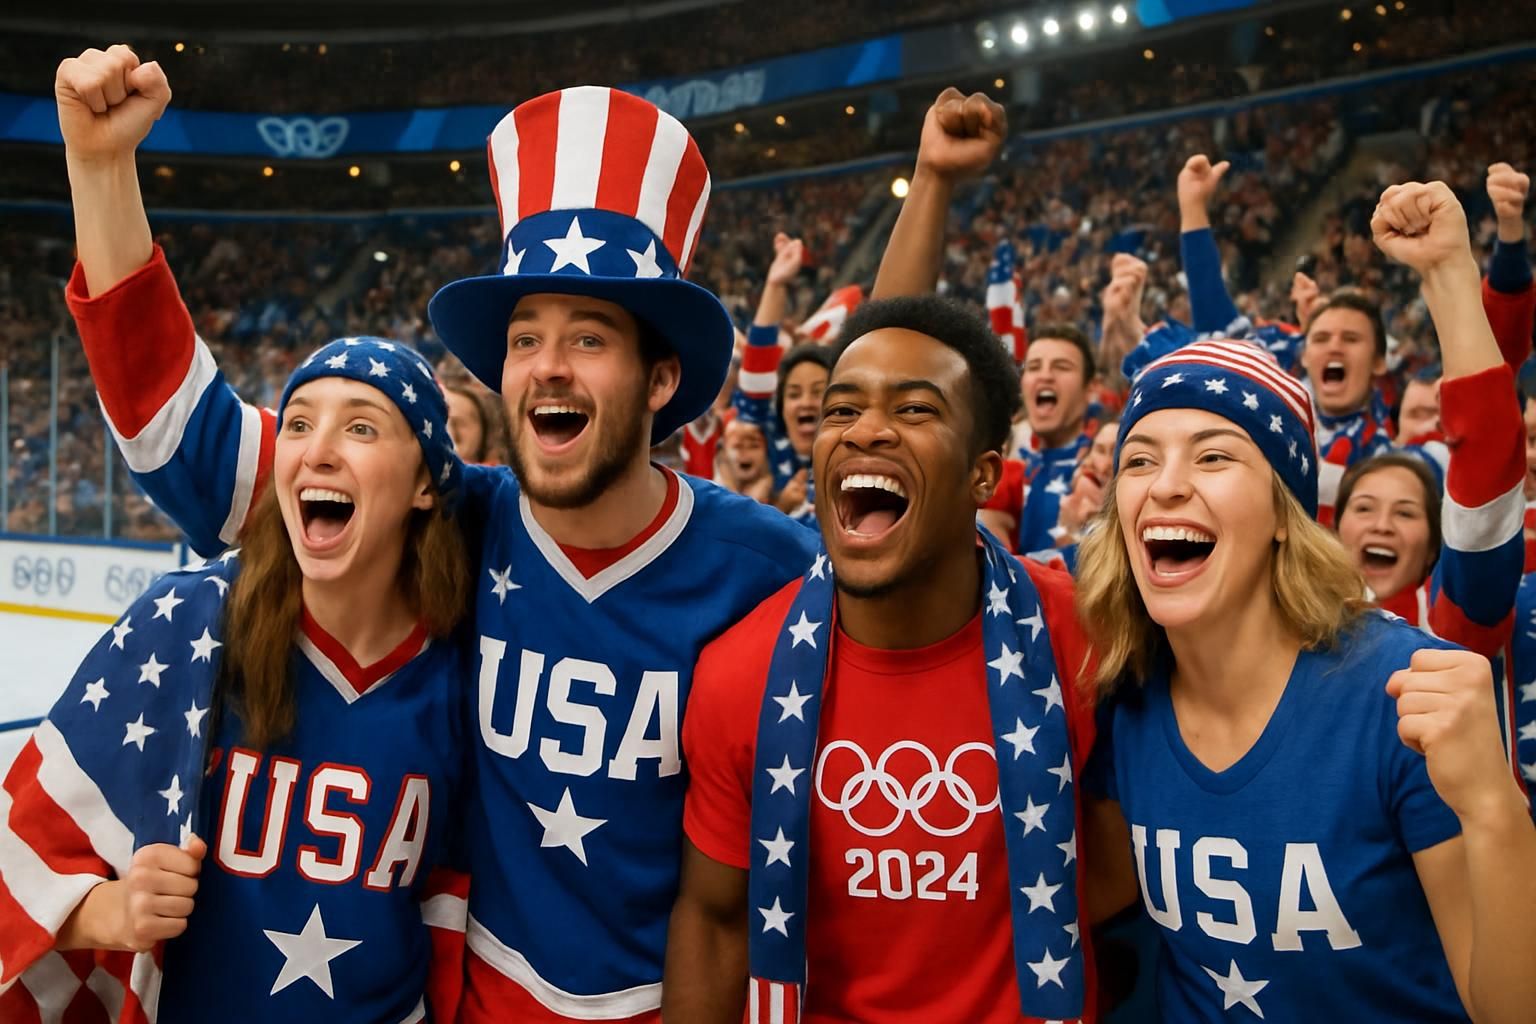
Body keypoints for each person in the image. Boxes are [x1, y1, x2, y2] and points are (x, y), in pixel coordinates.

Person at [52, 46, 821, 1023]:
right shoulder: (457, 513)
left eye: (588, 335)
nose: (548, 366)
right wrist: (103, 170)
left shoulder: (766, 569)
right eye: (525, 336)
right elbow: (187, 440)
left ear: (661, 379)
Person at [1076, 181, 1536, 1022]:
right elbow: (1070, 899)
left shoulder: (1401, 694)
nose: (1165, 486)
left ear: (1287, 518)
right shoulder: (1121, 697)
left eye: (1214, 457)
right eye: (1138, 461)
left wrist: (1494, 809)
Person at [0, 333, 473, 1022]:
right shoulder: (192, 624)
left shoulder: (464, 669)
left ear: (426, 482)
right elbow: (18, 855)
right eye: (300, 423)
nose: (317, 449)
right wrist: (111, 911)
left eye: (362, 427)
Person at [664, 291, 1101, 1024]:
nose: (866, 430)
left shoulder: (1085, 639)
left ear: (984, 476)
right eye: (841, 409)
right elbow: (714, 922)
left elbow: (1118, 872)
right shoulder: (741, 671)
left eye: (915, 410)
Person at [1177, 155, 1535, 526]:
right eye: (1321, 337)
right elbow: (1219, 341)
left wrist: (1506, 241)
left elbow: (1492, 386)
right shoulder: (1268, 425)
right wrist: (1193, 211)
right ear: (1304, 353)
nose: (1334, 346)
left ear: (1380, 362)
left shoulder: (1399, 464)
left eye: (1351, 338)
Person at [979, 324, 1099, 554]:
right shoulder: (1006, 475)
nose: (1045, 376)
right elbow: (992, 575)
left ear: (1090, 389)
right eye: (1033, 367)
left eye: (1062, 367)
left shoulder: (1112, 467)